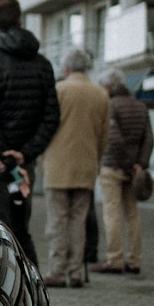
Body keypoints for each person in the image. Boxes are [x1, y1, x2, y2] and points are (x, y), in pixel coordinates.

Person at [0, 0, 60, 267]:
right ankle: (30, 284)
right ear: (21, 22)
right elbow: (51, 117)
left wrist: (2, 154)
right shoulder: (43, 65)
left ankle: (1, 286)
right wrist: (24, 154)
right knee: (20, 224)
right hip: (24, 163)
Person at [41, 49, 109, 288]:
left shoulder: (59, 91)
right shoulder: (101, 94)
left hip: (58, 165)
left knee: (57, 220)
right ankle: (76, 271)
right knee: (78, 221)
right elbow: (103, 135)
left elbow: (46, 127)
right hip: (86, 165)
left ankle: (57, 271)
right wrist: (95, 159)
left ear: (66, 68)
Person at [93, 70, 154, 273]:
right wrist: (140, 164)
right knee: (132, 214)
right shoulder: (140, 106)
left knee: (111, 213)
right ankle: (135, 260)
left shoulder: (110, 106)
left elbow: (114, 138)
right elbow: (149, 139)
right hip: (134, 170)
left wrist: (128, 164)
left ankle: (115, 260)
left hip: (113, 166)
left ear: (109, 88)